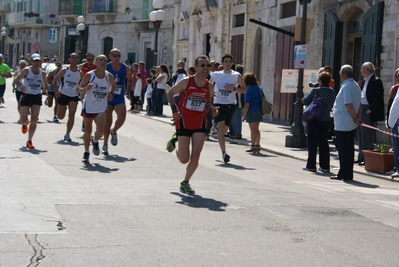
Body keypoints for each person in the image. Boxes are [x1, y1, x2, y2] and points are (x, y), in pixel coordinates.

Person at [166, 55, 215, 195]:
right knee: (184, 159)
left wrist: (212, 109)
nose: (205, 68)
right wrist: (174, 110)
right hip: (184, 122)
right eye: (202, 65)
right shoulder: (186, 81)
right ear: (196, 67)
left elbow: (209, 103)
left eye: (207, 65)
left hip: (200, 123)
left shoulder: (210, 86)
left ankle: (185, 182)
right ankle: (175, 140)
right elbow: (170, 93)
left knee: (195, 157)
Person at [79, 54, 116, 163]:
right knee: (88, 131)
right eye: (100, 60)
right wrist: (86, 88)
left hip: (101, 107)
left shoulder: (108, 76)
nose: (102, 62)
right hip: (89, 106)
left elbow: (113, 86)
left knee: (100, 131)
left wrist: (111, 93)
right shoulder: (89, 75)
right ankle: (86, 152)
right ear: (96, 62)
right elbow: (80, 88)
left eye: (104, 60)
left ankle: (95, 141)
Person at [210, 54, 247, 163]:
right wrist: (211, 92)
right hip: (219, 104)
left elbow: (244, 89)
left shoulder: (236, 75)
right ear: (222, 63)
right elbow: (208, 83)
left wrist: (234, 88)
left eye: (229, 61)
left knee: (224, 130)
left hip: (231, 105)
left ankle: (215, 126)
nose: (227, 63)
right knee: (222, 130)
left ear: (231, 63)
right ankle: (224, 153)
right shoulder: (216, 75)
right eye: (225, 61)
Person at [330, 65, 362, 181]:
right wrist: (357, 116)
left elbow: (349, 105)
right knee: (348, 149)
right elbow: (360, 103)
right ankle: (348, 173)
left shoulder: (347, 86)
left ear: (343, 73)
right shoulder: (355, 85)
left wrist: (355, 117)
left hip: (343, 122)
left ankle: (343, 173)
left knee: (343, 149)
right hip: (348, 122)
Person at [302, 71, 336, 172]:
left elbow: (305, 101)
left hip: (315, 119)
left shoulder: (316, 90)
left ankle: (311, 165)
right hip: (326, 119)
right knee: (324, 143)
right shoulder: (332, 92)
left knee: (312, 143)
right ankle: (325, 166)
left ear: (320, 81)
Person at [14, 53, 49, 149]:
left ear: (40, 62)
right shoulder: (26, 70)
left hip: (36, 97)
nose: (36, 63)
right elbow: (16, 79)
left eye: (38, 61)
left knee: (34, 119)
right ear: (31, 62)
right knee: (22, 119)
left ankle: (29, 140)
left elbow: (45, 85)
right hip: (26, 95)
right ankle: (25, 123)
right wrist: (20, 85)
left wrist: (45, 90)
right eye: (34, 61)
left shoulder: (42, 73)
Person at [103, 48, 132, 155]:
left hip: (119, 96)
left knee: (122, 117)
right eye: (114, 56)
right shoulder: (106, 67)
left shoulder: (126, 68)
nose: (116, 58)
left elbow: (130, 79)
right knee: (107, 122)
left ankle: (114, 131)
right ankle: (105, 144)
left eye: (118, 56)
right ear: (110, 56)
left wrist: (128, 92)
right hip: (107, 97)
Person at [356, 62, 385, 165]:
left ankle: (367, 157)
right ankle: (361, 156)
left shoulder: (376, 81)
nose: (361, 71)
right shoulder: (363, 81)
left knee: (367, 134)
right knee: (360, 133)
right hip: (361, 108)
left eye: (362, 69)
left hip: (368, 109)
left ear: (367, 70)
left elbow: (378, 97)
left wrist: (371, 109)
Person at [53, 53, 83, 142]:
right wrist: (56, 91)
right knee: (60, 116)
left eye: (76, 58)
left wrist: (82, 91)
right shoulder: (64, 71)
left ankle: (67, 133)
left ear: (78, 60)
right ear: (69, 59)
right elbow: (55, 81)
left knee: (72, 114)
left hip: (73, 96)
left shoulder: (80, 73)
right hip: (63, 94)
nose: (74, 59)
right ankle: (63, 108)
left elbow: (82, 84)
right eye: (72, 57)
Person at [241, 72, 264, 153]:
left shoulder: (249, 89)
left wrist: (244, 115)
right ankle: (257, 145)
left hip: (252, 110)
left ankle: (253, 145)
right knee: (257, 129)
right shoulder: (259, 87)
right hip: (259, 109)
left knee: (253, 129)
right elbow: (263, 98)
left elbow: (247, 104)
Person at [78, 52, 97, 132]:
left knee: (94, 106)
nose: (90, 61)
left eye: (91, 60)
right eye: (88, 60)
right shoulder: (82, 66)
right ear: (86, 59)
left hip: (94, 89)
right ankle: (84, 122)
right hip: (84, 88)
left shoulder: (96, 66)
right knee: (85, 104)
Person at [386, 68, 399, 177]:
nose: (396, 78)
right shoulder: (395, 89)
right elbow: (391, 105)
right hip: (395, 121)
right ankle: (396, 167)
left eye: (397, 75)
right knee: (395, 146)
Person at [229, 64, 244, 139]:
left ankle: (237, 133)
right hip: (234, 101)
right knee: (232, 118)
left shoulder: (240, 80)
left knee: (236, 118)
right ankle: (232, 132)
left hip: (238, 102)